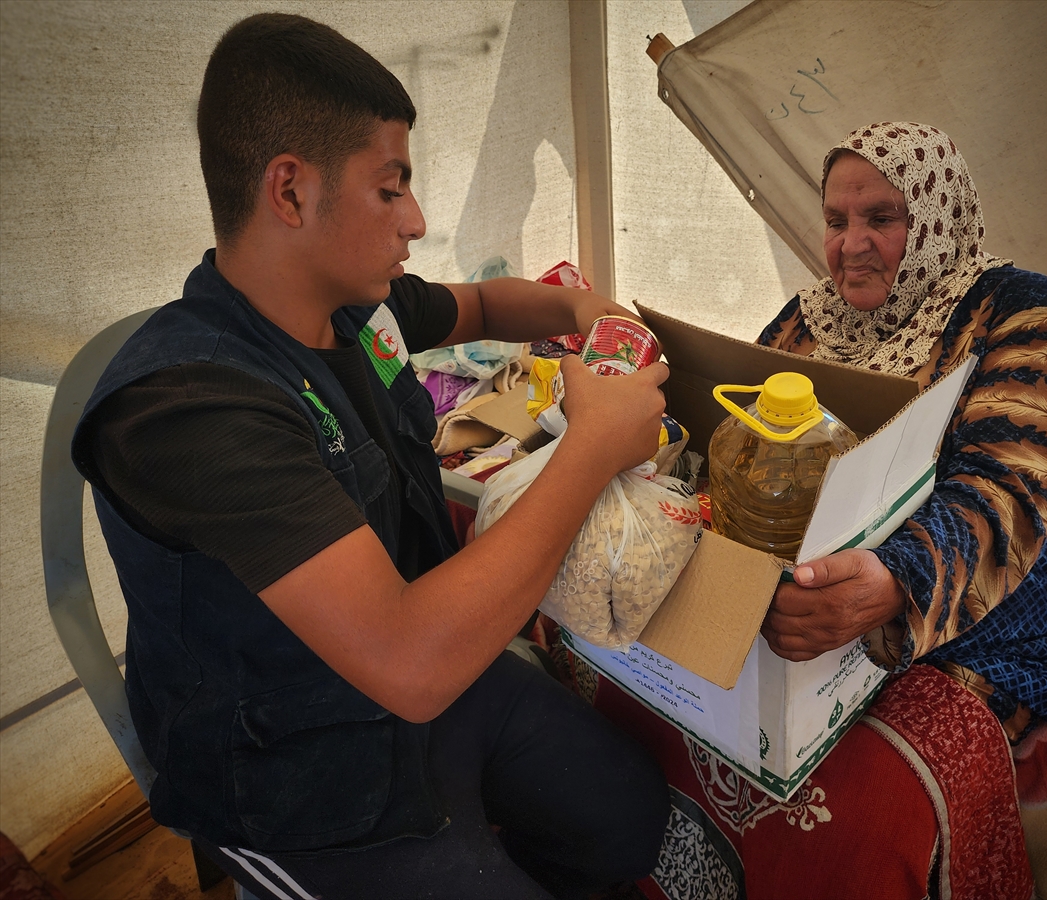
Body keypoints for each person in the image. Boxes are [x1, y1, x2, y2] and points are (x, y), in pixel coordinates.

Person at [70, 13, 670, 900]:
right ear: (289, 192)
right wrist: (595, 445)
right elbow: (409, 661)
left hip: (413, 693)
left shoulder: (352, 312)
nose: (418, 221)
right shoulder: (189, 410)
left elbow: (480, 305)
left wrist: (589, 318)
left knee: (627, 820)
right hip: (297, 777)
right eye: (391, 189)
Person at [585, 123, 1047, 899]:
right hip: (827, 565)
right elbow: (739, 443)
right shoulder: (807, 321)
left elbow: (1001, 493)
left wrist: (893, 585)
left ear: (935, 219)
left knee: (860, 814)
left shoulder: (1026, 316)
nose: (851, 245)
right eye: (836, 222)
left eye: (883, 219)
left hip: (1001, 576)